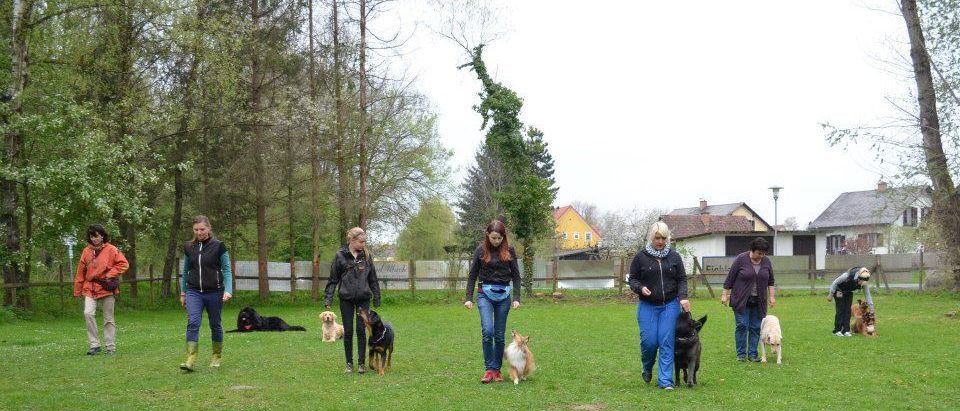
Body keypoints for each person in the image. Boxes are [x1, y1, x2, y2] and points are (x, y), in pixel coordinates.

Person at [627, 221, 689, 390]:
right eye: (657, 238)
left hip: (670, 305)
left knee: (666, 342)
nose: (661, 241)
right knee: (649, 343)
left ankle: (665, 381)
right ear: (651, 238)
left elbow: (682, 279)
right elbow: (632, 279)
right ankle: (647, 367)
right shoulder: (640, 257)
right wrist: (640, 288)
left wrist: (683, 297)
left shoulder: (674, 257)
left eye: (663, 238)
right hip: (647, 306)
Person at [464, 220, 522, 384]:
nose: (496, 241)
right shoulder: (480, 251)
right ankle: (489, 369)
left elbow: (516, 276)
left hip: (504, 296)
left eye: (499, 238)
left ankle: (496, 370)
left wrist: (517, 298)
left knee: (499, 334)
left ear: (503, 237)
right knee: (488, 331)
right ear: (488, 235)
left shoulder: (509, 250)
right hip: (485, 295)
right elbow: (472, 275)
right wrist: (469, 298)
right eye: (494, 238)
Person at [179, 215, 233, 371]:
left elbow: (227, 270)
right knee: (193, 322)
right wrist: (183, 293)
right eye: (196, 230)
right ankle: (191, 358)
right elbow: (185, 271)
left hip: (214, 292)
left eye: (202, 229)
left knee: (215, 324)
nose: (199, 232)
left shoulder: (219, 246)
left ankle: (216, 356)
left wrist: (228, 290)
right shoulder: (189, 247)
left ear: (209, 228)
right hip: (194, 291)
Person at [325, 227, 382, 374]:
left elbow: (373, 279)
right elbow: (333, 280)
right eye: (361, 241)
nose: (363, 244)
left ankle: (361, 364)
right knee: (348, 331)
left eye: (364, 242)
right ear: (352, 240)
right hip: (346, 299)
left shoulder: (367, 257)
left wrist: (376, 295)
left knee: (361, 330)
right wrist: (328, 298)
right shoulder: (340, 256)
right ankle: (349, 364)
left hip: (363, 299)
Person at [73, 224, 129, 355]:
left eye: (96, 236)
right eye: (92, 236)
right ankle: (94, 345)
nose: (94, 239)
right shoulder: (86, 251)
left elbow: (124, 264)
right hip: (89, 287)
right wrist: (77, 290)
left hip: (106, 287)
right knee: (88, 313)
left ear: (102, 236)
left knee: (108, 318)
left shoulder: (111, 249)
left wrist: (110, 274)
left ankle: (110, 347)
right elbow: (80, 272)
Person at [721, 237, 776, 362]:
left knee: (756, 327)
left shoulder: (766, 261)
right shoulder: (741, 259)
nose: (761, 256)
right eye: (759, 253)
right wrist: (724, 294)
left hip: (759, 301)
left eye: (763, 253)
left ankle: (752, 354)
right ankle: (741, 355)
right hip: (741, 300)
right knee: (742, 325)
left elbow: (771, 281)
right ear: (752, 250)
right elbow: (730, 278)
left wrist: (772, 297)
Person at [827, 266, 873, 337]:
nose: (861, 284)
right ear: (858, 278)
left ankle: (846, 330)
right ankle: (837, 330)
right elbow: (835, 282)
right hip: (839, 290)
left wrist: (871, 308)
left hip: (848, 292)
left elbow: (868, 295)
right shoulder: (846, 276)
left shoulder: (864, 282)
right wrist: (831, 294)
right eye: (861, 282)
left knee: (848, 311)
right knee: (841, 310)